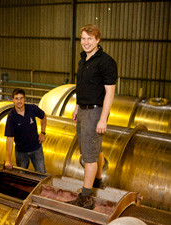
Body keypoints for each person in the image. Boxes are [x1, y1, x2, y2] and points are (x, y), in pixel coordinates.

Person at [71, 24, 117, 209]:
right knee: (92, 149)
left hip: (95, 111)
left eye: (90, 38)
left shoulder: (106, 62)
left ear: (98, 40)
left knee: (89, 157)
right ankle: (97, 180)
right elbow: (81, 85)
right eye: (83, 38)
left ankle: (86, 197)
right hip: (83, 110)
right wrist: (76, 106)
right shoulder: (83, 59)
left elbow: (110, 93)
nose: (85, 42)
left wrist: (103, 118)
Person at [4, 88, 47, 173]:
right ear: (12, 100)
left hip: (36, 149)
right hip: (21, 153)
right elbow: (9, 139)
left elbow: (43, 116)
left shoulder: (32, 108)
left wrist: (43, 132)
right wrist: (8, 159)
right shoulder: (11, 116)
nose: (19, 101)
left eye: (21, 98)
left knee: (42, 175)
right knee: (22, 176)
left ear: (24, 99)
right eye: (16, 98)